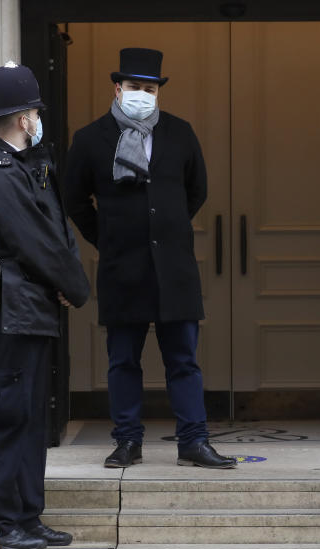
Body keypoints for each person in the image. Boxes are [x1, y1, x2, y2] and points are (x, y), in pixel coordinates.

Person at [63, 47, 235, 470]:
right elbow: (74, 199)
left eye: (149, 87)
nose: (142, 94)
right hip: (123, 268)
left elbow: (197, 190)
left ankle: (193, 441)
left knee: (184, 360)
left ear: (158, 91)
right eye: (134, 86)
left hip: (174, 268)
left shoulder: (180, 133)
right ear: (117, 88)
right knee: (123, 360)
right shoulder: (90, 139)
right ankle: (127, 441)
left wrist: (168, 229)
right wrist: (107, 238)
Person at [0, 62, 90, 549]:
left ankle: (27, 515)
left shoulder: (16, 167)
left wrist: (61, 285)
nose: (38, 118)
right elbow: (38, 243)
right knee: (8, 416)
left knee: (30, 417)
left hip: (25, 307)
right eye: (34, 110)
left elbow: (50, 235)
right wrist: (74, 288)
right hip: (8, 310)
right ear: (21, 117)